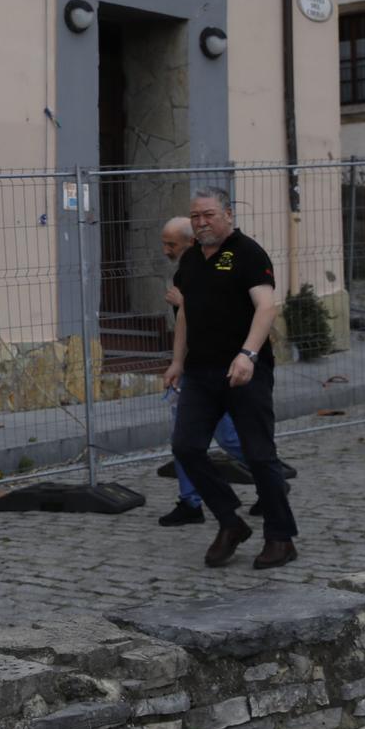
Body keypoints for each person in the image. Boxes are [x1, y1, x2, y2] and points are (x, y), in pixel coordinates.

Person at [163, 187, 298, 569]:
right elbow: (185, 315)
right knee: (186, 447)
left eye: (209, 214)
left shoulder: (248, 254)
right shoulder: (189, 261)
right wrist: (176, 362)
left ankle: (280, 538)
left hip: (245, 372)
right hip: (200, 372)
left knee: (259, 455)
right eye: (196, 216)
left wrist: (248, 354)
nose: (202, 222)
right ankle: (229, 521)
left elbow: (266, 307)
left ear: (228, 214)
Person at [156, 216, 245, 527]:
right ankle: (190, 501)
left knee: (228, 437)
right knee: (183, 439)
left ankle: (269, 474)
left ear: (191, 242)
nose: (166, 250)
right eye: (164, 244)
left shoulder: (215, 269)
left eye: (172, 245)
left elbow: (218, 319)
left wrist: (184, 303)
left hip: (212, 369)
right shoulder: (186, 269)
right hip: (190, 371)